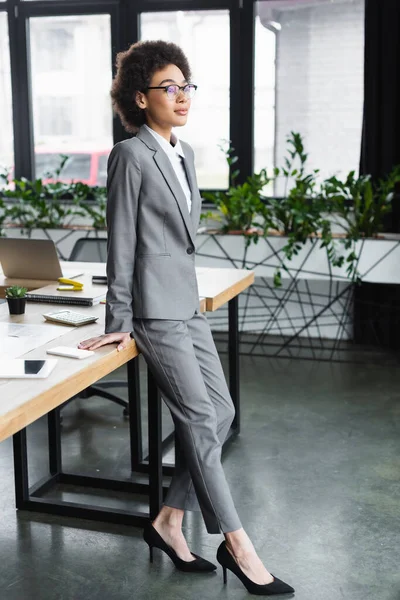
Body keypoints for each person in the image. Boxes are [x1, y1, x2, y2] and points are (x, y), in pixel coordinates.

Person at [78, 40, 294, 596]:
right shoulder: (131, 155)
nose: (181, 96)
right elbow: (121, 242)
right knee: (199, 419)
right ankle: (239, 546)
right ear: (139, 98)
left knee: (220, 414)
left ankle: (168, 521)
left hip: (187, 304)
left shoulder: (185, 153)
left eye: (185, 85)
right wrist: (119, 319)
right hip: (153, 309)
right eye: (167, 88)